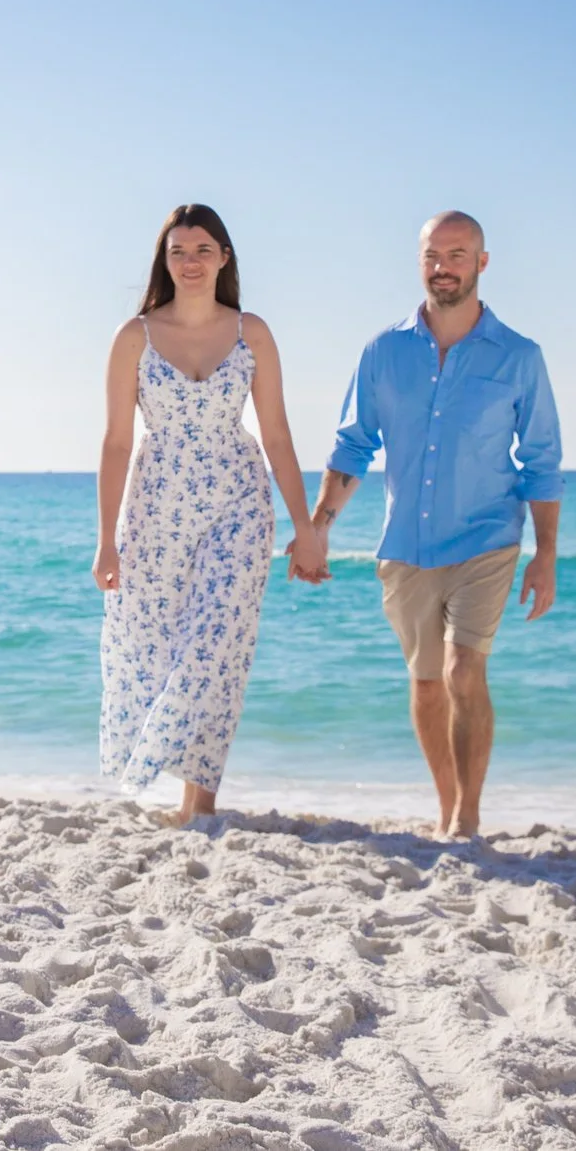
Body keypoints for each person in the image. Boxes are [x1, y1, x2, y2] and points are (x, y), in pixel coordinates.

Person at [310, 212, 562, 839]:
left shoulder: (519, 357)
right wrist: (319, 529)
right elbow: (352, 447)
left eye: (457, 253)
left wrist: (546, 553)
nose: (443, 266)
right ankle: (446, 804)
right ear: (419, 261)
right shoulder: (383, 352)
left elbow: (541, 460)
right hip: (406, 546)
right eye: (432, 254)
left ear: (482, 261)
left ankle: (468, 816)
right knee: (426, 689)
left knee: (462, 670)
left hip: (488, 539)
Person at [95, 204, 328, 825]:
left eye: (203, 250)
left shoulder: (252, 332)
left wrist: (307, 530)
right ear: (163, 261)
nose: (191, 262)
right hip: (155, 510)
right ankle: (192, 803)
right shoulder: (133, 337)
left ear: (224, 258)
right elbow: (117, 441)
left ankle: (199, 800)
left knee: (217, 645)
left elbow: (276, 433)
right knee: (157, 646)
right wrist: (105, 541)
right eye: (178, 251)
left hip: (238, 505)